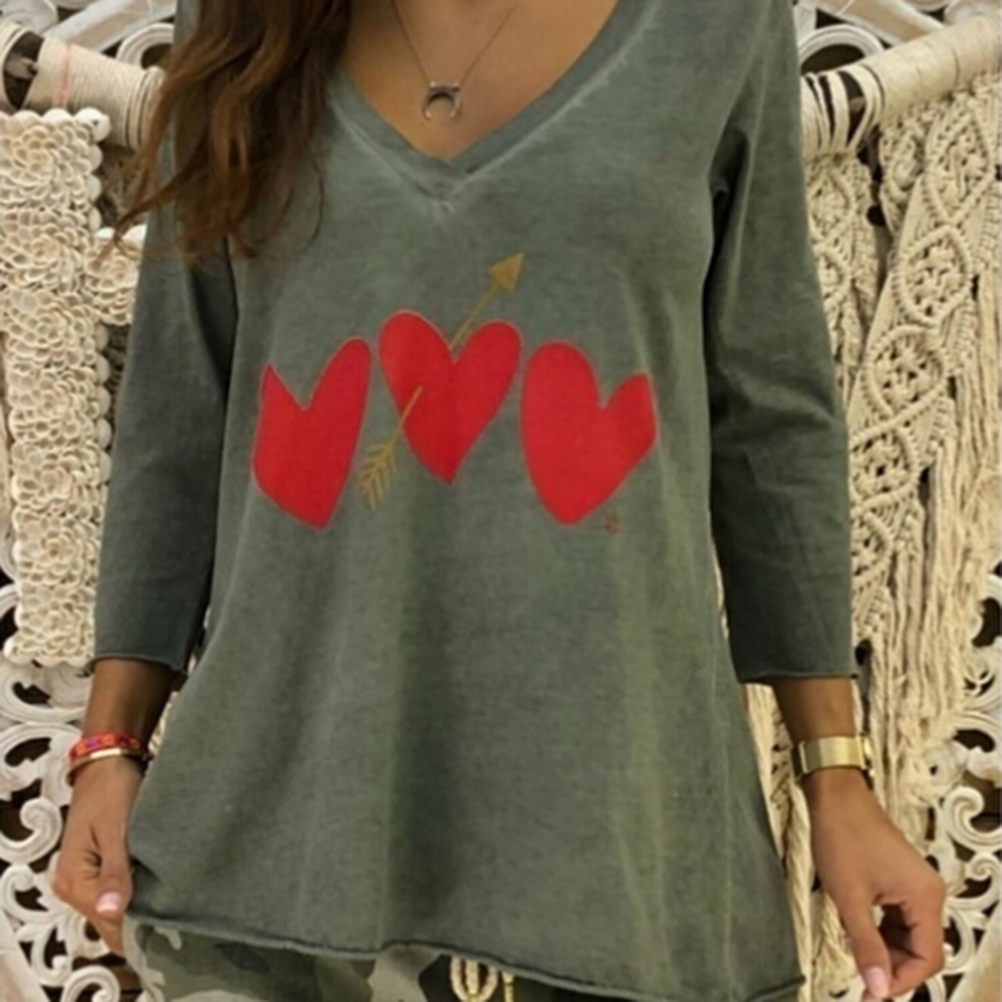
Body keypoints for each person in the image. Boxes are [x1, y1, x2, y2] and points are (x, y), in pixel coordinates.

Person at [53, 1, 948, 1000]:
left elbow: (772, 416)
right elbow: (178, 411)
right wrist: (110, 743)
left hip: (618, 820)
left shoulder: (714, 27)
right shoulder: (245, 20)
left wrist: (837, 777)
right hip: (285, 821)